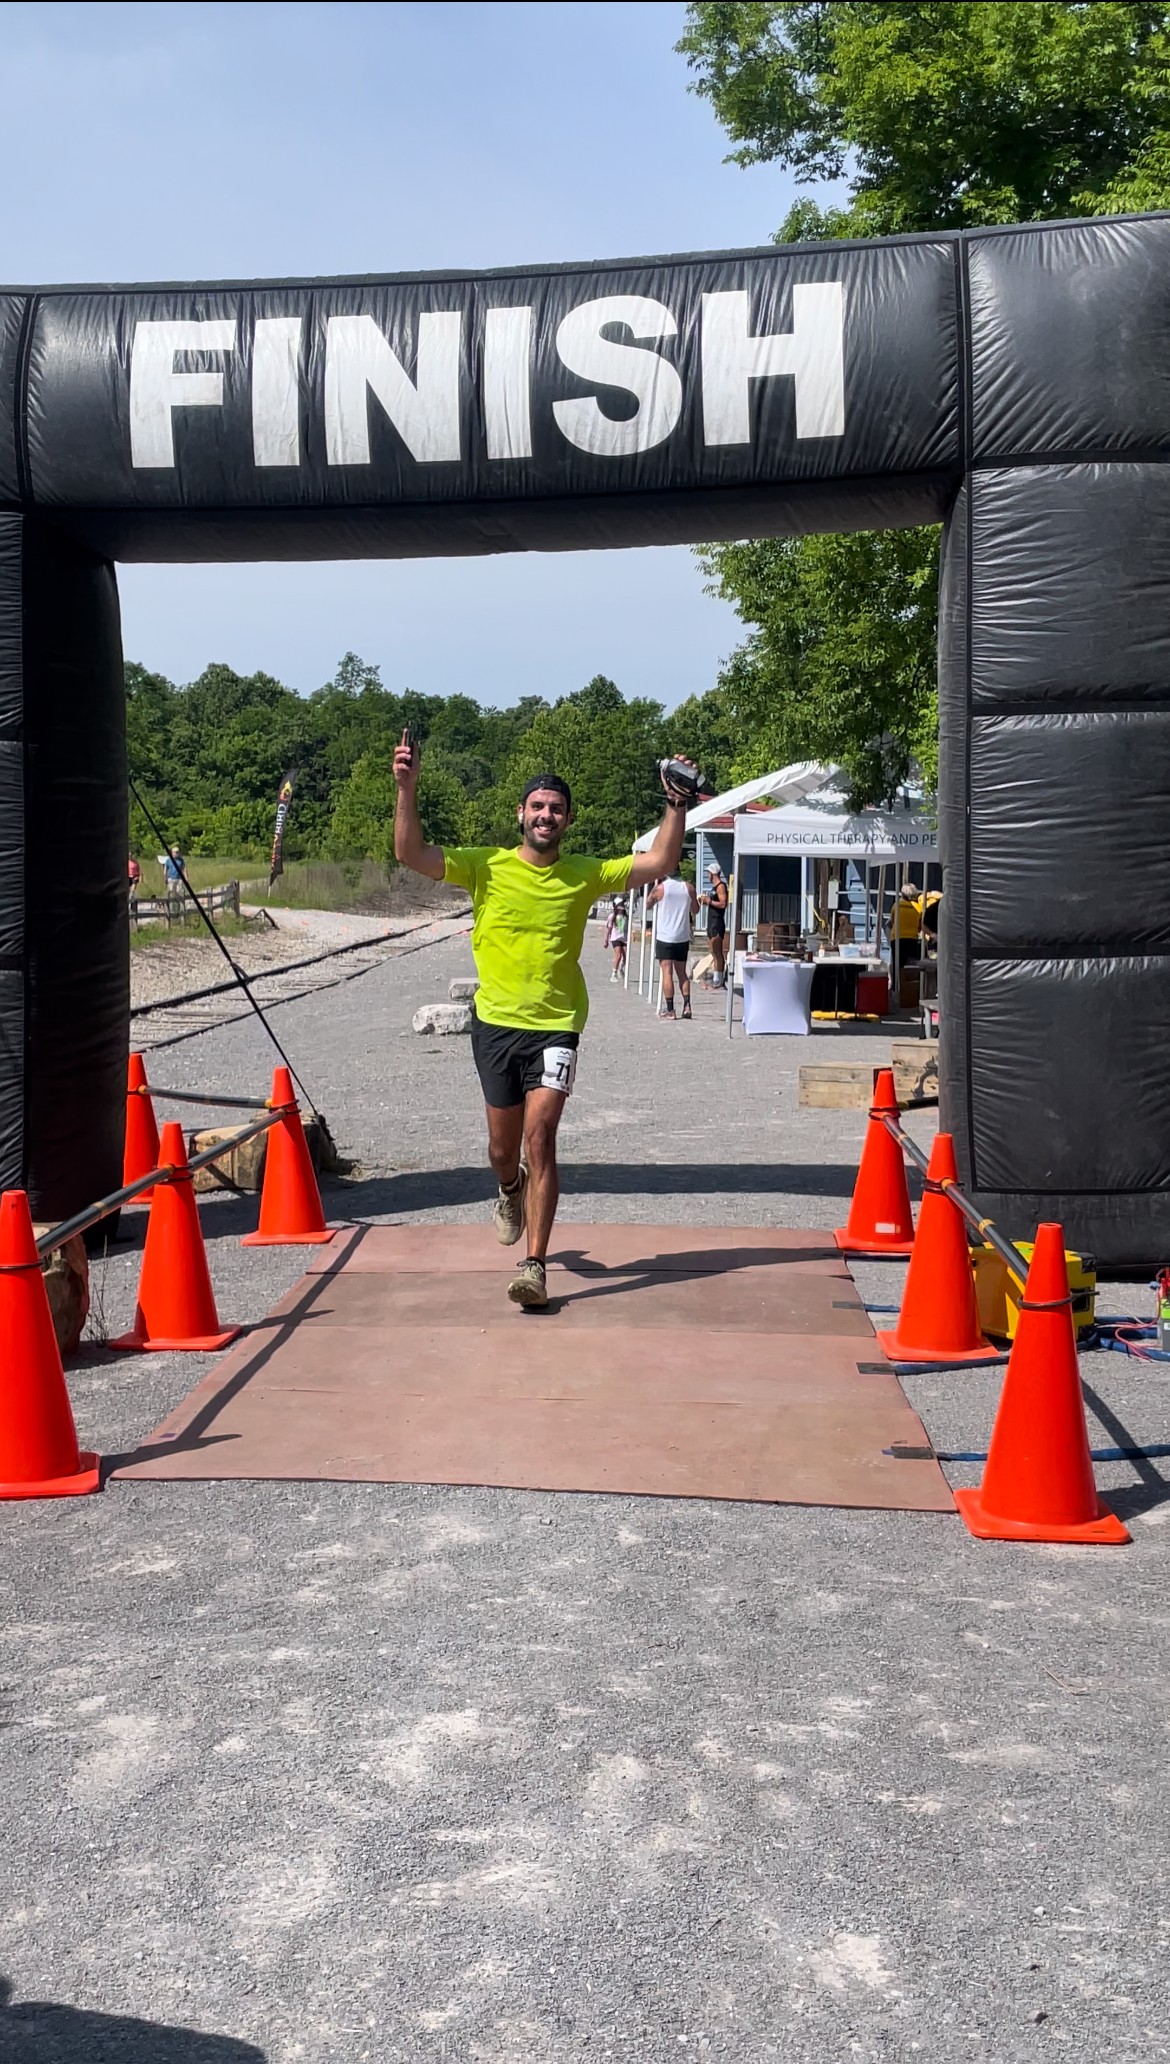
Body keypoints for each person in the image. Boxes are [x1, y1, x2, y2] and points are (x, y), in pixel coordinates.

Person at [392, 731, 697, 1308]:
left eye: (556, 808)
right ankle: (509, 1190)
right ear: (521, 815)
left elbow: (661, 860)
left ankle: (535, 1266)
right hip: (495, 1026)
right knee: (503, 1151)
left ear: (567, 819)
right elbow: (412, 853)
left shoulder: (584, 873)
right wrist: (406, 788)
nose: (546, 815)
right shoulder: (486, 867)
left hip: (556, 1026)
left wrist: (675, 803)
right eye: (537, 806)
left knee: (542, 1138)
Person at [648, 869, 699, 1020]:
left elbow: (648, 903)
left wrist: (656, 884)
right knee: (682, 973)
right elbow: (696, 910)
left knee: (667, 972)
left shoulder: (661, 888)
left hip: (665, 935)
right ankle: (687, 1005)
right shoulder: (688, 887)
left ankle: (670, 1009)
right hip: (682, 936)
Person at [700, 861, 729, 987]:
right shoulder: (714, 888)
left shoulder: (721, 887)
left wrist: (709, 902)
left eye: (708, 873)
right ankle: (717, 977)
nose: (707, 875)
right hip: (711, 921)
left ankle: (720, 978)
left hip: (717, 921)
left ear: (712, 873)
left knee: (717, 951)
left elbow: (723, 904)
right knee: (713, 951)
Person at [604, 894, 628, 981]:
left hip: (624, 938)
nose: (622, 907)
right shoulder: (612, 916)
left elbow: (627, 928)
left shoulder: (625, 917)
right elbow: (608, 929)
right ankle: (613, 974)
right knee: (618, 955)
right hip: (615, 938)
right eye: (621, 905)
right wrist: (606, 940)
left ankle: (621, 968)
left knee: (625, 956)